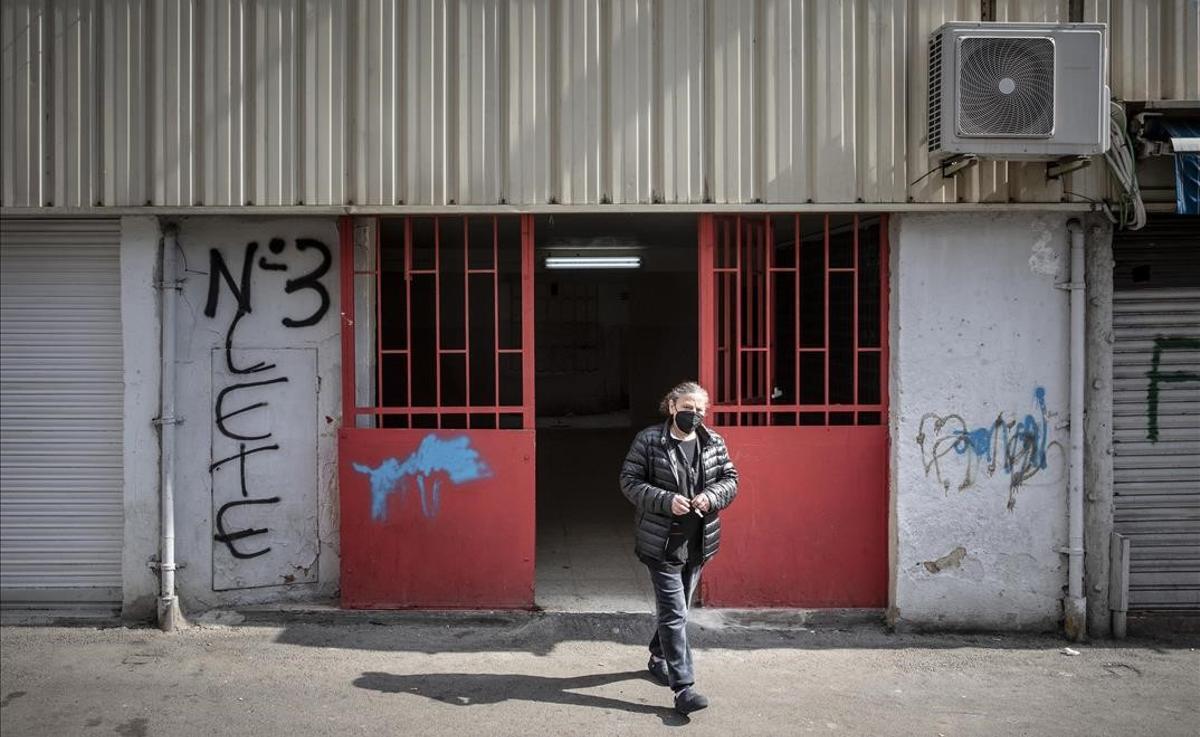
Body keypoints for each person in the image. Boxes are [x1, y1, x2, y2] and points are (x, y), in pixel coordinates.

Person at [618, 381, 739, 715]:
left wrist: (711, 496)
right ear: (671, 406)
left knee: (678, 610)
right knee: (674, 613)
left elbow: (730, 480)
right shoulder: (649, 440)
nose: (694, 414)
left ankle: (658, 656)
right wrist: (666, 500)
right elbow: (629, 481)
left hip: (698, 543)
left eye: (700, 409)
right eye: (687, 407)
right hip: (662, 543)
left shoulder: (713, 441)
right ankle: (684, 688)